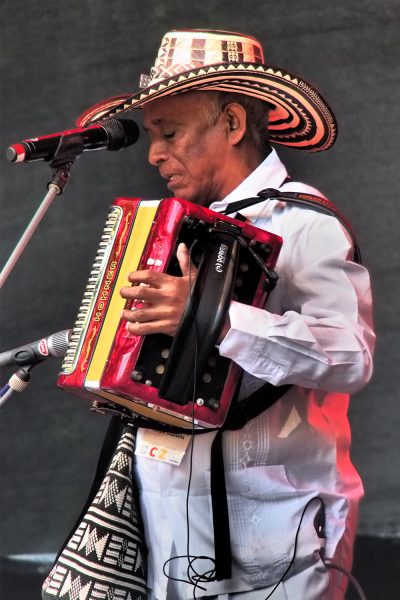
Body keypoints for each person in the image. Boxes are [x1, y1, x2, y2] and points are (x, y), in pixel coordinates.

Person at [68, 30, 376, 599]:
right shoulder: (179, 229)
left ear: (233, 125)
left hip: (278, 531)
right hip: (169, 528)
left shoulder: (307, 225)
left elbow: (349, 358)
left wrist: (215, 318)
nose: (154, 153)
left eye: (170, 132)